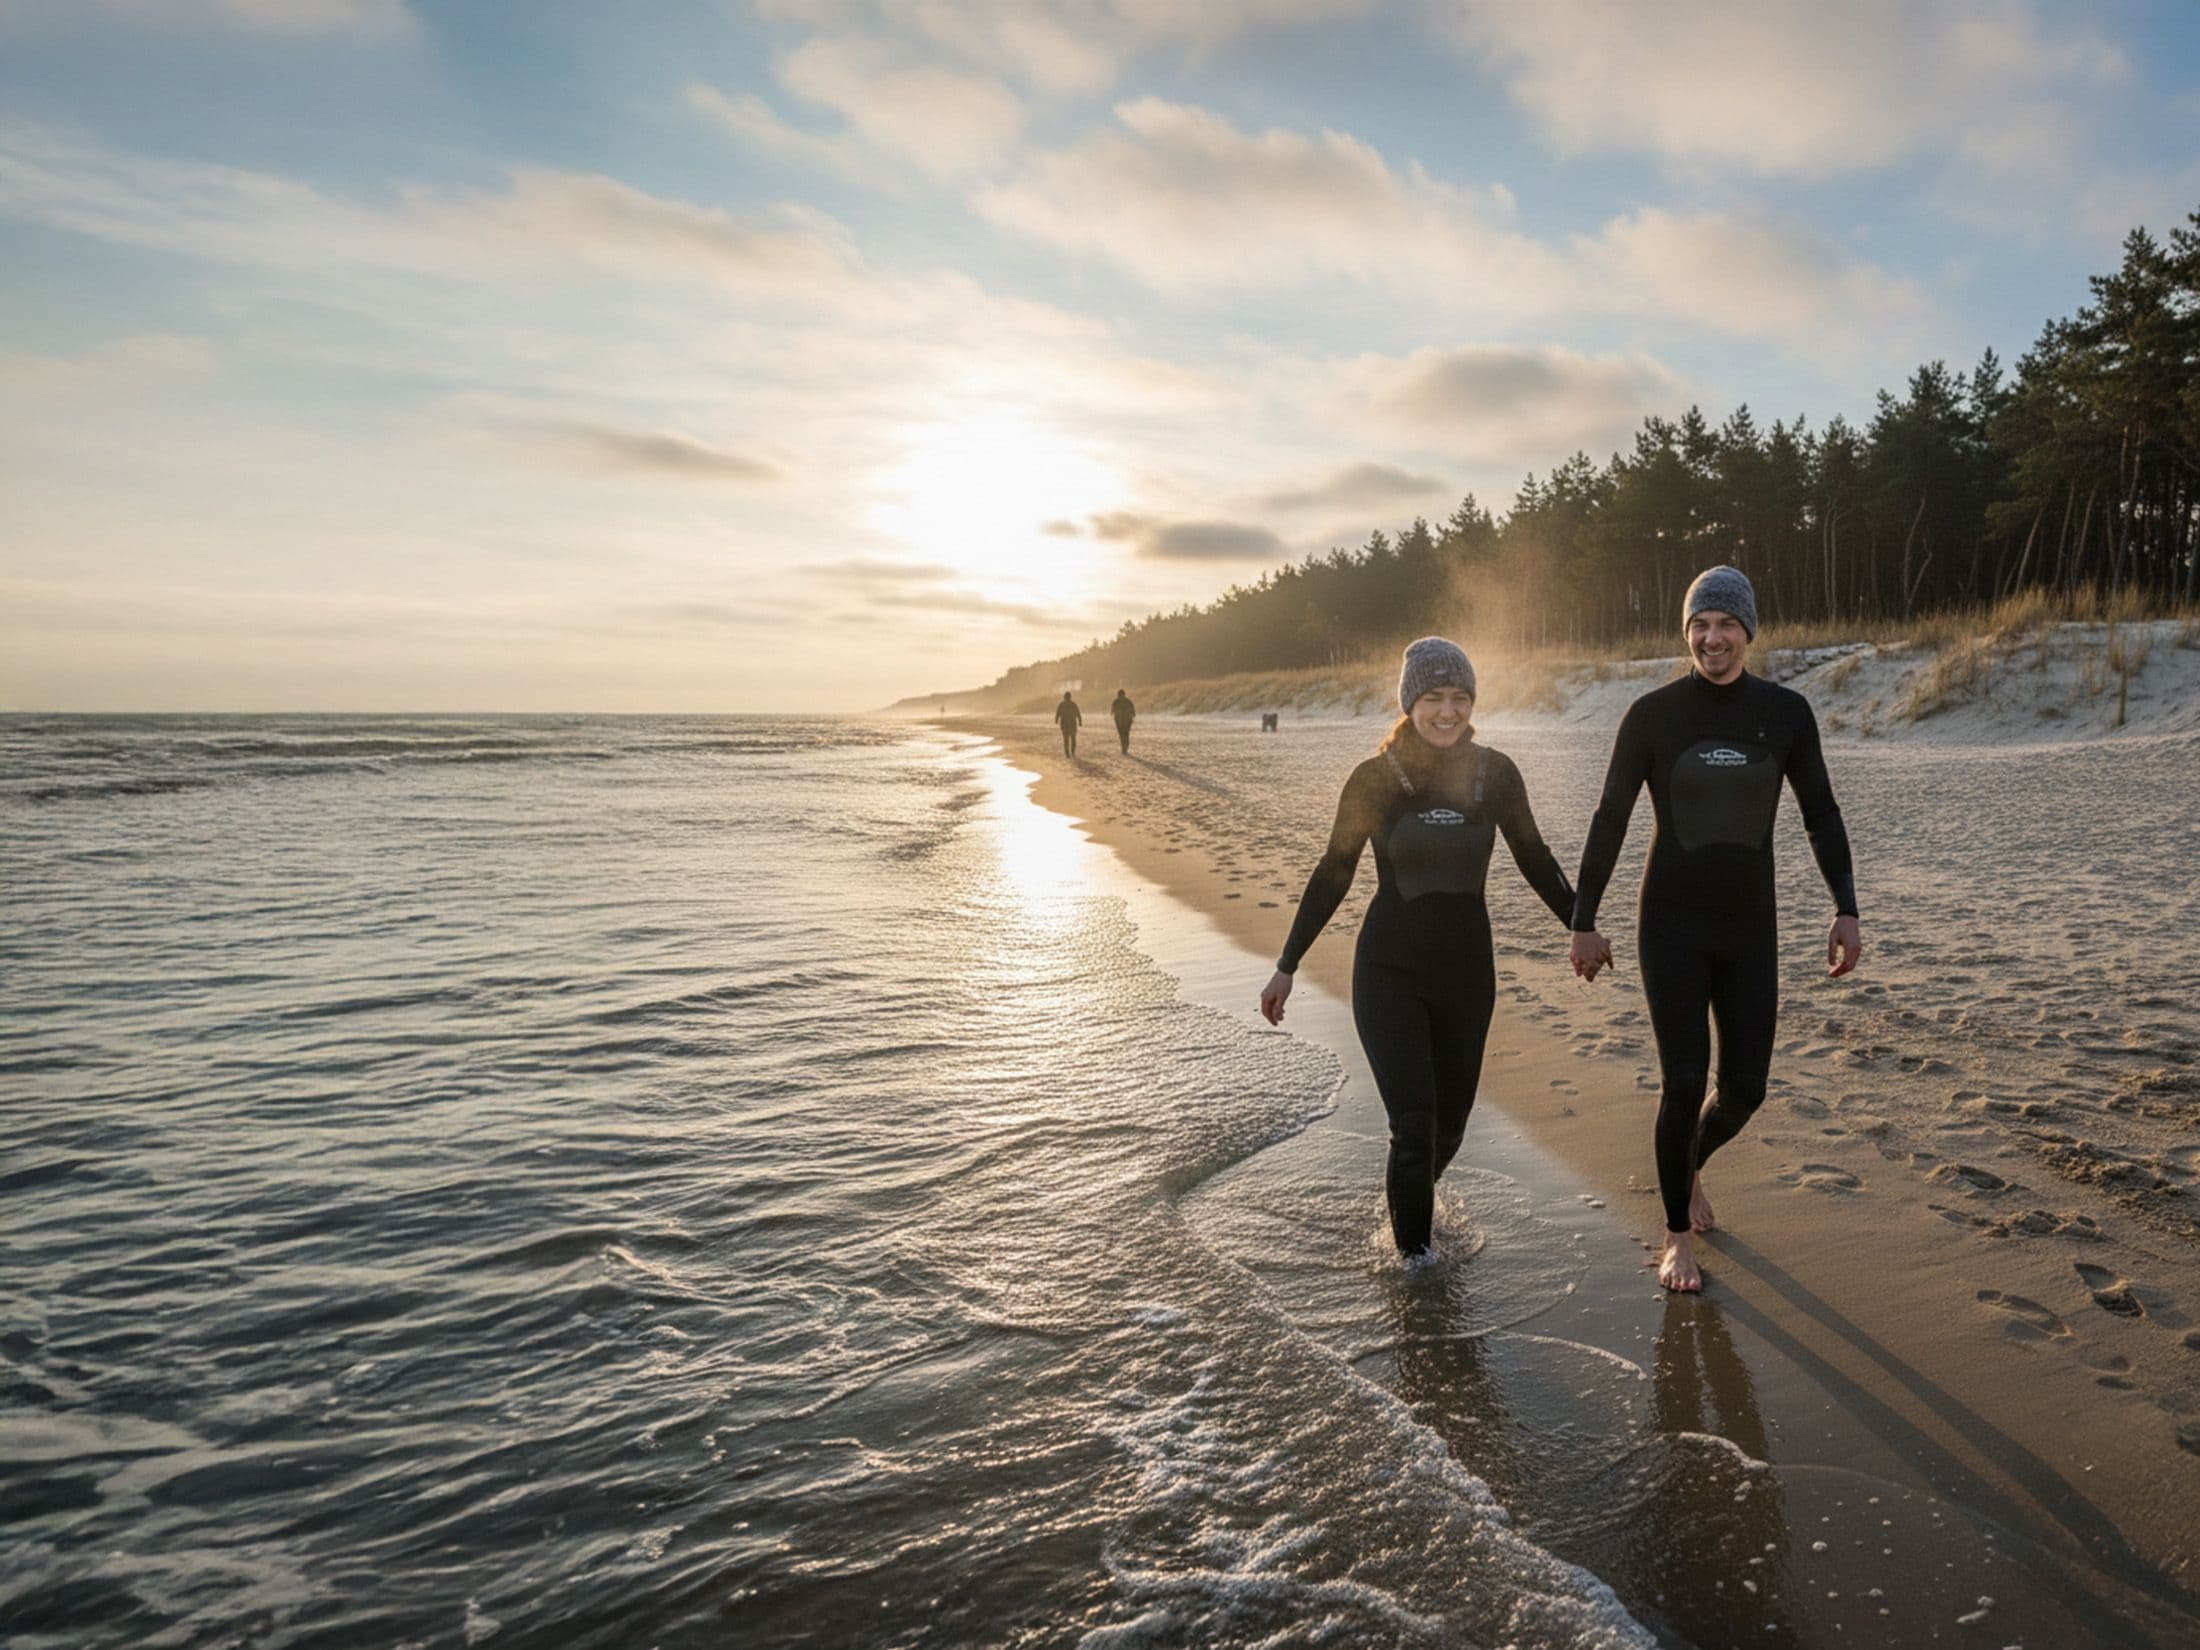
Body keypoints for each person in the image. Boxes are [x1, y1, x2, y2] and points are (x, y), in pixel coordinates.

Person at [1569, 566, 1861, 1293]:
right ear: (1687, 632)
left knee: (1745, 1090)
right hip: (1669, 923)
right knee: (1683, 1079)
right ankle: (1675, 1236)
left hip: (1748, 929)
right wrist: (1583, 920)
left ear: (1748, 632)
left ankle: (1690, 1164)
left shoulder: (1785, 713)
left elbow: (1820, 813)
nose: (1712, 637)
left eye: (1726, 624)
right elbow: (1611, 818)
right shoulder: (1653, 715)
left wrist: (1845, 906)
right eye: (1700, 624)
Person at [1260, 638, 1577, 1262]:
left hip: (1466, 973)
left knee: (1447, 1129)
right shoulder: (1374, 780)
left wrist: (1581, 922)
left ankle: (1407, 1204)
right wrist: (1286, 966)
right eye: (1433, 697)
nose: (1447, 711)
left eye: (1459, 698)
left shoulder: (1496, 775)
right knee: (1412, 1127)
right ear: (1409, 703)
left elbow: (1535, 857)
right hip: (1389, 972)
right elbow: (1334, 872)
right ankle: (1414, 1271)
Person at [1054, 690, 1082, 758]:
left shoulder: (1062, 704)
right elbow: (1078, 713)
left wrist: (1056, 719)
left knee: (1066, 740)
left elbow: (1058, 713)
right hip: (1072, 724)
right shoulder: (1073, 704)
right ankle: (1072, 752)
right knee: (1073, 739)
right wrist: (1080, 721)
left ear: (1065, 697)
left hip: (1065, 725)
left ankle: (1068, 753)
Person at [1111, 688, 1136, 754]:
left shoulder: (1116, 701)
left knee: (1122, 735)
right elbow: (1133, 713)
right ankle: (1126, 746)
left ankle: (1124, 748)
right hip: (1128, 722)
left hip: (1119, 722)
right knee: (1126, 734)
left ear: (1118, 694)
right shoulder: (1128, 701)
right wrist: (1131, 715)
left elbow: (1112, 711)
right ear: (1124, 694)